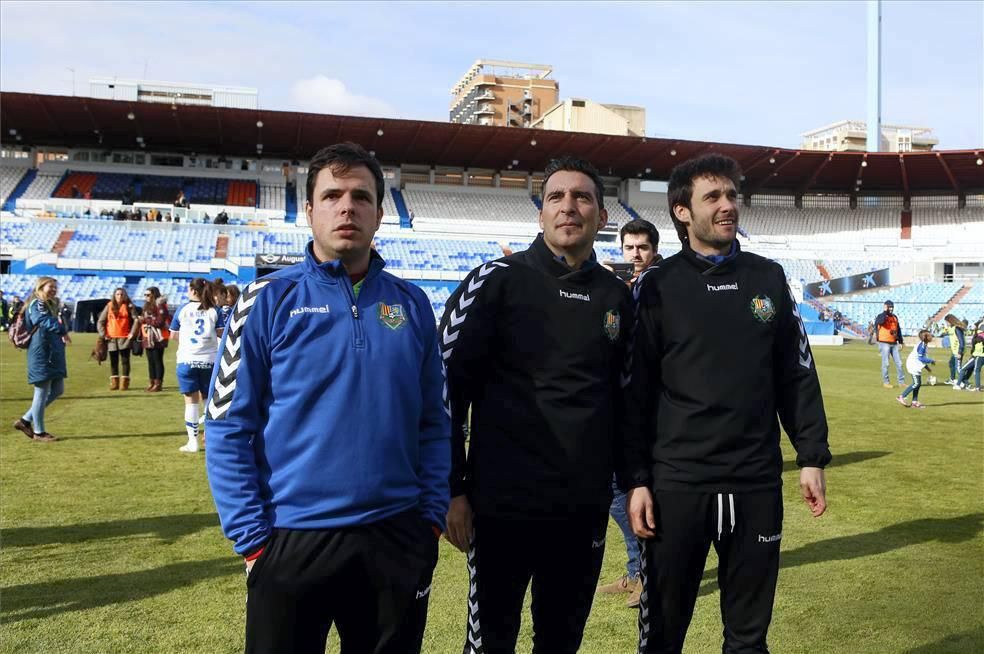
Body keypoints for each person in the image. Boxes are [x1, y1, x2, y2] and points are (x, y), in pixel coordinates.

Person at [205, 142, 449, 654]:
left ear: (380, 214)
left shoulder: (413, 305)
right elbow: (228, 427)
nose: (347, 207)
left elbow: (435, 423)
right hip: (291, 538)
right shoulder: (266, 300)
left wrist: (427, 521)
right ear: (310, 210)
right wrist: (253, 542)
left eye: (361, 196)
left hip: (396, 536)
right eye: (332, 195)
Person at [622, 153, 831, 654]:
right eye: (712, 197)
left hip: (756, 481)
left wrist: (811, 455)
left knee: (748, 636)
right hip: (679, 484)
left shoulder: (768, 277)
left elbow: (796, 371)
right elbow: (633, 391)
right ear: (681, 211)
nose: (727, 206)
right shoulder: (657, 285)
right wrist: (636, 480)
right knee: (662, 635)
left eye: (732, 196)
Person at [441, 155, 632, 654]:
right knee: (489, 643)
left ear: (602, 216)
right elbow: (445, 391)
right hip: (501, 508)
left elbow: (628, 402)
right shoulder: (494, 282)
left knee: (561, 641)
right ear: (541, 213)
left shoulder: (618, 297)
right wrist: (452, 490)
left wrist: (633, 483)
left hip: (581, 510)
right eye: (556, 197)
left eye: (582, 197)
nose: (569, 207)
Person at [597, 217, 660, 609]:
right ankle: (637, 570)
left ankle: (645, 574)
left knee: (629, 494)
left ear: (654, 249)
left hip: (650, 410)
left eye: (642, 248)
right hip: (616, 407)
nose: (635, 255)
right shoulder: (616, 289)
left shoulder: (664, 287)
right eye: (629, 248)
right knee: (616, 492)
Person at [13, 277, 70, 443]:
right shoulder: (37, 303)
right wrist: (62, 330)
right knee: (41, 391)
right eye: (50, 287)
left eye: (55, 287)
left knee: (58, 389)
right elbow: (41, 320)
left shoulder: (50, 304)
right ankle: (39, 431)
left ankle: (25, 420)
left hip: (52, 352)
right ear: (41, 287)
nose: (54, 290)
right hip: (42, 352)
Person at [170, 278, 223, 453]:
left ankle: (193, 442)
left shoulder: (182, 310)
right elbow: (221, 335)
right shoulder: (215, 310)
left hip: (187, 359)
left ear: (193, 291)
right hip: (210, 360)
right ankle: (210, 439)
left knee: (190, 403)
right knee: (209, 402)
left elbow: (173, 336)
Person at [97, 288, 140, 390]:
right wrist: (103, 334)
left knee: (125, 360)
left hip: (124, 338)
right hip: (111, 338)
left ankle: (124, 383)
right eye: (117, 294)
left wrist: (132, 333)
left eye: (121, 294)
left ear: (125, 295)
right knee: (113, 361)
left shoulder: (129, 306)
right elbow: (100, 321)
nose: (119, 296)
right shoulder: (109, 306)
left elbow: (136, 320)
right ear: (114, 295)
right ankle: (114, 382)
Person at [140, 287, 171, 392]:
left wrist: (147, 320)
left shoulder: (160, 305)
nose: (146, 297)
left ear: (154, 295)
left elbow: (160, 322)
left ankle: (158, 382)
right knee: (150, 360)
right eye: (145, 295)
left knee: (157, 360)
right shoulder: (146, 306)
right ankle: (151, 381)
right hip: (148, 336)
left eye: (148, 295)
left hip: (159, 337)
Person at [898, 329, 935, 408]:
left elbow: (922, 359)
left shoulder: (924, 344)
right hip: (913, 365)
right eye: (930, 335)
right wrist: (931, 360)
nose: (932, 336)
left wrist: (928, 368)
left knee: (918, 383)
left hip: (916, 365)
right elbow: (921, 358)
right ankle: (901, 396)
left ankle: (914, 402)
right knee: (916, 383)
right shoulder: (922, 346)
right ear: (926, 337)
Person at [874, 300, 905, 388]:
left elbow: (898, 329)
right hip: (884, 343)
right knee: (886, 363)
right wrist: (885, 312)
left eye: (892, 307)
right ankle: (886, 382)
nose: (891, 309)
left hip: (894, 343)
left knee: (899, 363)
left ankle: (901, 382)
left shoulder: (895, 317)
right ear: (885, 307)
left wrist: (901, 341)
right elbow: (880, 322)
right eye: (889, 307)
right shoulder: (881, 316)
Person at [955, 321, 983, 391]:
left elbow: (975, 343)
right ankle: (962, 383)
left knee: (976, 370)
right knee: (965, 369)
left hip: (979, 355)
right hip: (976, 355)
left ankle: (977, 387)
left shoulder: (979, 336)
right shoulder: (978, 335)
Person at [941, 314, 967, 385]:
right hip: (955, 351)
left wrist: (960, 352)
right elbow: (947, 333)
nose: (946, 323)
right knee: (951, 363)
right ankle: (952, 379)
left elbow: (961, 341)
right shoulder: (951, 328)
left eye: (947, 322)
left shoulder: (957, 329)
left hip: (958, 351)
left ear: (950, 321)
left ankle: (966, 383)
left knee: (958, 368)